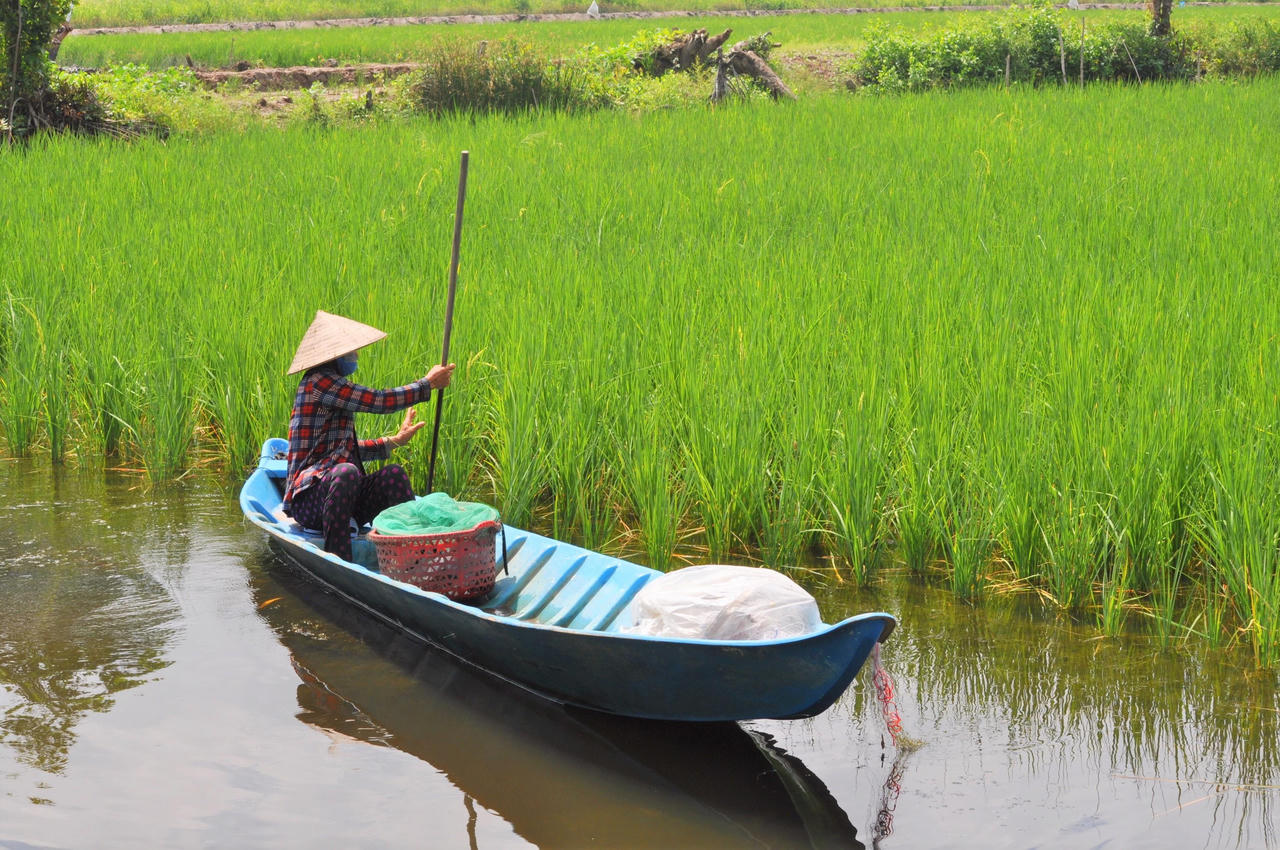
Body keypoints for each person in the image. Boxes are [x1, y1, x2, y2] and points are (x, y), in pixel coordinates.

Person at [282, 310, 455, 562]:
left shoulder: (332, 385)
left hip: (339, 495)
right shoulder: (319, 383)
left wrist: (393, 441)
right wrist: (425, 385)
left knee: (393, 475)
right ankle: (339, 561)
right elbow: (376, 400)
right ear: (335, 354)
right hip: (308, 500)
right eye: (351, 352)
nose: (356, 356)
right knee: (346, 472)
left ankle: (414, 558)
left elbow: (344, 450)